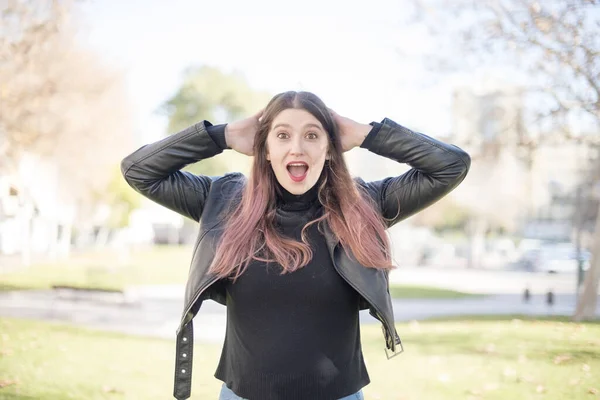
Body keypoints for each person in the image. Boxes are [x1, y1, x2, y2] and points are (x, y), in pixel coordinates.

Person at [121, 91, 471, 400]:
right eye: (282, 135)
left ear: (331, 149)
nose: (297, 147)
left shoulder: (365, 205)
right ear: (266, 149)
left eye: (312, 135)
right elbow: (139, 170)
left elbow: (451, 165)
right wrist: (221, 135)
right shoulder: (223, 201)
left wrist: (368, 134)